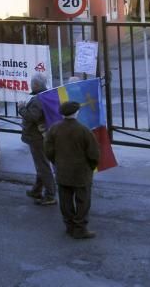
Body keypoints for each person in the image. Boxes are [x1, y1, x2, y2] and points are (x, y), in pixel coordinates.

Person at [44, 101, 100, 239]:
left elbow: (48, 150)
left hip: (62, 170)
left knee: (65, 199)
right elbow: (94, 154)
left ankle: (69, 226)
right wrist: (91, 167)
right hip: (81, 172)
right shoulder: (84, 130)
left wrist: (56, 162)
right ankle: (80, 228)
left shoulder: (54, 129)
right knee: (83, 200)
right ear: (76, 113)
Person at [18, 74, 57, 206]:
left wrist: (22, 108)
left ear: (35, 85)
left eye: (31, 83)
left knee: (42, 165)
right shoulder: (46, 94)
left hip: (37, 137)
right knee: (40, 164)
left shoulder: (37, 100)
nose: (30, 85)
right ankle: (37, 189)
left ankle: (50, 194)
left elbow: (32, 117)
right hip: (42, 135)